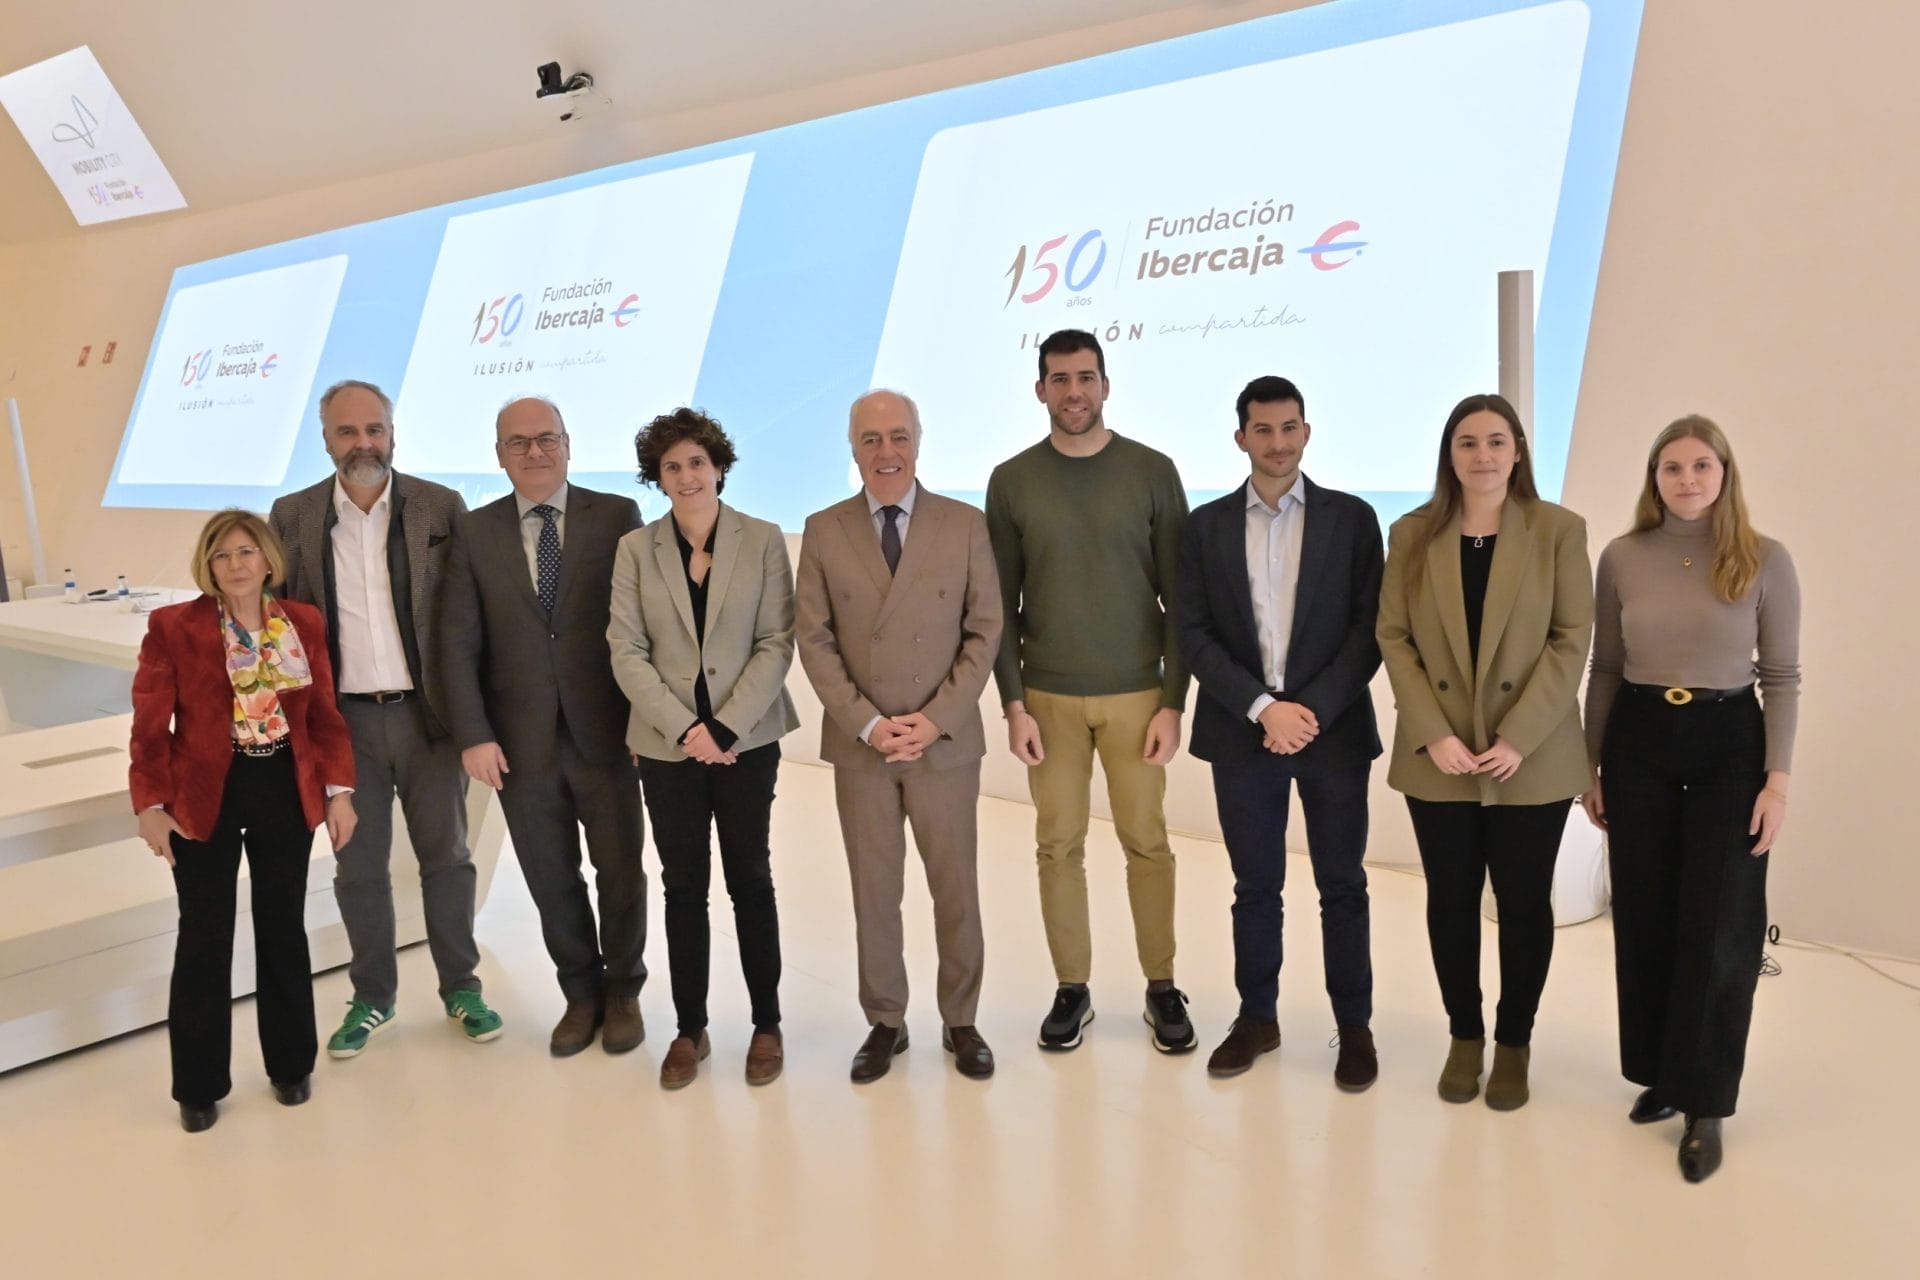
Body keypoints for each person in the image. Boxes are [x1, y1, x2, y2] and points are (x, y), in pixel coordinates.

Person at [1581, 415, 1799, 1182]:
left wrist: (1777, 781)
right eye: (1671, 467)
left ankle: (1706, 1100)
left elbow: (1782, 678)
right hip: (1638, 737)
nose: (1687, 479)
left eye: (1701, 465)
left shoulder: (1764, 558)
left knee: (1719, 921)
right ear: (1654, 478)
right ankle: (1662, 1076)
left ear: (1724, 473)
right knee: (1645, 911)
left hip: (1728, 740)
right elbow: (1606, 668)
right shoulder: (1622, 556)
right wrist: (1591, 766)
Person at [271, 379, 501, 1059]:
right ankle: (372, 996)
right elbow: (277, 626)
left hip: (428, 719)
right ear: (325, 440)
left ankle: (461, 987)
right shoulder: (293, 515)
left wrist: (478, 720)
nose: (363, 443)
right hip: (343, 726)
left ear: (393, 433)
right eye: (347, 432)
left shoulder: (440, 506)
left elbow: (470, 617)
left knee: (447, 858)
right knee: (358, 867)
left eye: (374, 429)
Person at [1377, 393, 1592, 1111]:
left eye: (1497, 441)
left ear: (1519, 450)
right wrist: (1433, 731)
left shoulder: (1558, 530)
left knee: (1525, 903)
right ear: (1450, 454)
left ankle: (1514, 1043)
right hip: (1438, 754)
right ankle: (1464, 1036)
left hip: (1531, 754)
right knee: (1451, 900)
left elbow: (1571, 640)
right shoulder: (1412, 534)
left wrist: (1516, 737)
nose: (1483, 455)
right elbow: (1393, 636)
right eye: (1467, 442)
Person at [985, 327, 1195, 1054]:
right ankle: (1072, 988)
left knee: (1148, 843)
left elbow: (1181, 599)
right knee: (1057, 846)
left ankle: (1162, 986)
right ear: (1040, 389)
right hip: (1047, 700)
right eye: (1060, 379)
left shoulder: (1152, 472)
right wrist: (1013, 704)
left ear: (1105, 385)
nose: (1073, 392)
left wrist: (1174, 701)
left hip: (1138, 696)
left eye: (1085, 378)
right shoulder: (1012, 481)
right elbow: (1000, 607)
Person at [1175, 376, 1384, 1087]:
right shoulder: (1204, 527)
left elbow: (1369, 631)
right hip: (1243, 732)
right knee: (1255, 885)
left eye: (1289, 427)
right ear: (1241, 438)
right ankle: (1256, 1018)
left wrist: (1307, 711)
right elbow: (1193, 634)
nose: (1278, 442)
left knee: (1343, 885)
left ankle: (1354, 1027)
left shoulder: (1352, 519)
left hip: (1333, 731)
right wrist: (1264, 708)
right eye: (1262, 430)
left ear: (1307, 431)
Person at [795, 390, 1004, 1083]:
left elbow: (985, 629)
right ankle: (886, 1020)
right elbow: (814, 639)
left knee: (956, 888)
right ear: (853, 448)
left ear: (918, 440)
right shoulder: (823, 529)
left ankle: (961, 1018)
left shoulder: (964, 524)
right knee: (874, 892)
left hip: (944, 743)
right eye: (871, 440)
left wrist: (936, 718)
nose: (887, 452)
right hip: (864, 746)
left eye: (898, 437)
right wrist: (868, 722)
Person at [129, 510, 357, 1132]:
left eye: (246, 552)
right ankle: (198, 1088)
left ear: (267, 560)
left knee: (283, 927)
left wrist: (339, 793)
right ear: (208, 564)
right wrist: (149, 806)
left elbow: (325, 717)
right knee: (204, 934)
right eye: (222, 554)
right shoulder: (174, 626)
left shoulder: (302, 622)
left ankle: (291, 1066)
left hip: (284, 786)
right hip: (204, 795)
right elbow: (149, 728)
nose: (235, 564)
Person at [434, 396, 648, 1057]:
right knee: (551, 876)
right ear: (499, 455)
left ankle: (624, 991)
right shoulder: (475, 532)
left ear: (568, 444)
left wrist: (647, 723)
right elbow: (456, 642)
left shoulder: (616, 516)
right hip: (518, 744)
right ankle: (580, 994)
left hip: (608, 734)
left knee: (621, 872)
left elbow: (645, 626)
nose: (535, 452)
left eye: (546, 438)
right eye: (519, 442)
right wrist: (473, 734)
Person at [608, 408, 798, 1088]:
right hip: (667, 749)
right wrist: (686, 729)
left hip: (747, 744)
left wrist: (725, 729)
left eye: (697, 462)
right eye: (671, 466)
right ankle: (690, 1030)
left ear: (719, 467)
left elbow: (776, 641)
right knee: (683, 887)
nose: (687, 476)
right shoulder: (636, 550)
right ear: (657, 478)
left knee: (751, 880)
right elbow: (626, 649)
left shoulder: (763, 539)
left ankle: (767, 1024)